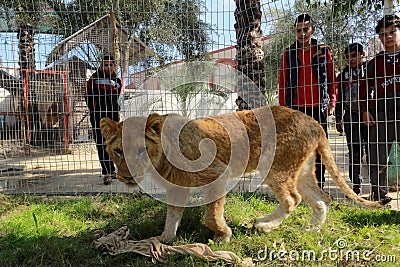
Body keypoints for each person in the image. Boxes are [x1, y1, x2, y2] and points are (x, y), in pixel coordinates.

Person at [278, 13, 338, 189]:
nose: (302, 34)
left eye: (306, 29)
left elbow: (332, 78)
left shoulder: (322, 51)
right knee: (297, 150)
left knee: (319, 149)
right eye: (298, 30)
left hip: (318, 108)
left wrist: (332, 102)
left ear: (312, 29)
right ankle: (298, 186)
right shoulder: (288, 53)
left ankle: (319, 186)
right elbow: (283, 82)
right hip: (296, 110)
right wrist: (284, 110)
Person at [359, 14, 400, 203]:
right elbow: (363, 89)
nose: (388, 37)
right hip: (382, 114)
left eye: (392, 32)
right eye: (383, 34)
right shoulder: (375, 63)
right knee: (377, 158)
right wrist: (366, 109)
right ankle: (379, 197)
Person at [335, 43, 368, 195]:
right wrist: (338, 118)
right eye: (347, 57)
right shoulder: (343, 76)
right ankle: (356, 184)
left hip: (369, 115)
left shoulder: (370, 69)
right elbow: (339, 98)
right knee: (355, 151)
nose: (351, 60)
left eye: (354, 56)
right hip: (350, 116)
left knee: (371, 150)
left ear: (363, 54)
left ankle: (377, 185)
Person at [86, 55, 121, 185]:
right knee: (101, 143)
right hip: (98, 117)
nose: (108, 67)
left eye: (111, 65)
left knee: (113, 143)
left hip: (113, 117)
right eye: (106, 65)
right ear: (102, 66)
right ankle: (106, 172)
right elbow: (88, 95)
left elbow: (117, 98)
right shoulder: (94, 79)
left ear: (114, 66)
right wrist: (94, 111)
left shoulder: (117, 81)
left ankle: (113, 170)